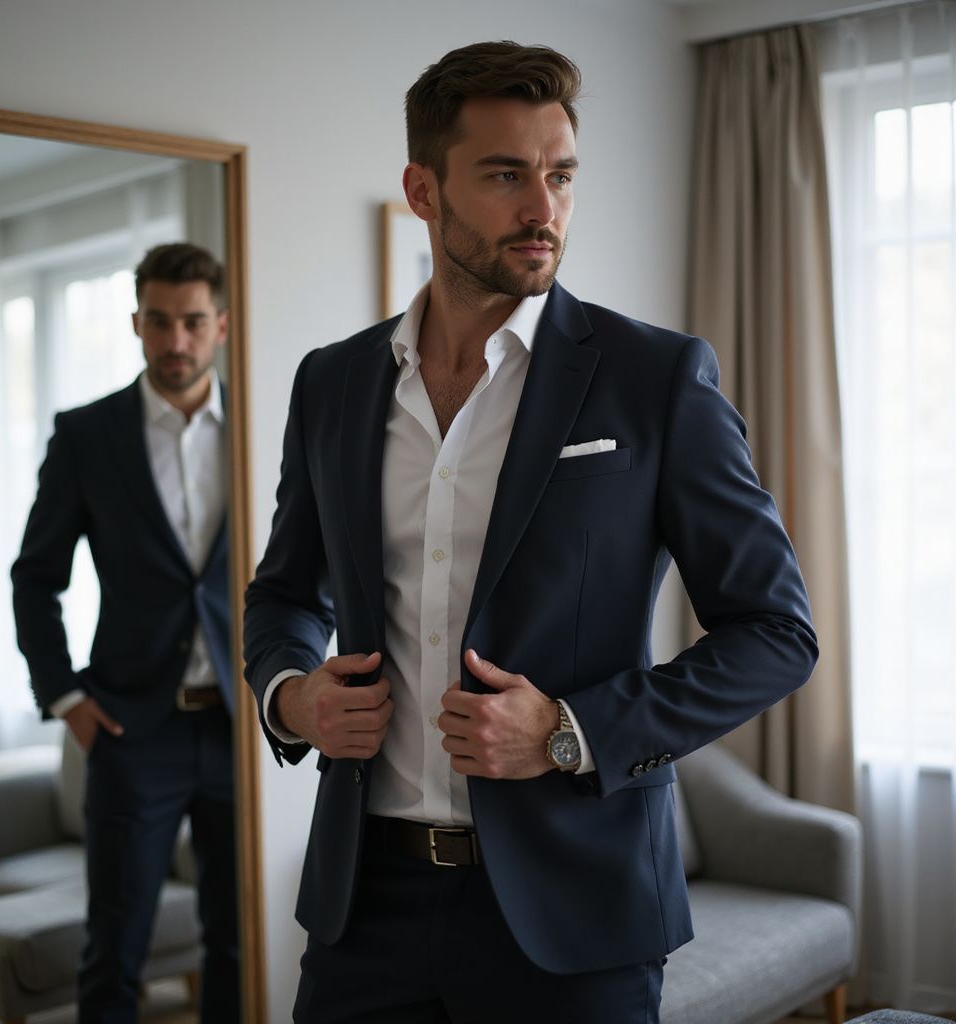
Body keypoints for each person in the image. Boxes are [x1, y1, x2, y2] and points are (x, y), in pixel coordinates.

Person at [244, 41, 817, 1024]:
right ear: (423, 189)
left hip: (576, 913)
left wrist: (569, 730)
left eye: (558, 175)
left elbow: (775, 634)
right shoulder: (331, 382)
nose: (541, 208)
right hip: (362, 908)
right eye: (505, 175)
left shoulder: (654, 380)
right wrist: (291, 698)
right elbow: (287, 590)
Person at [12, 243, 239, 1024]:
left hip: (244, 725)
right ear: (137, 323)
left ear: (221, 326)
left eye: (193, 322)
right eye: (160, 322)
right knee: (115, 946)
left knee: (238, 942)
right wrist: (64, 694)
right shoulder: (86, 436)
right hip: (131, 728)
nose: (176, 340)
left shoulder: (263, 427)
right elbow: (34, 576)